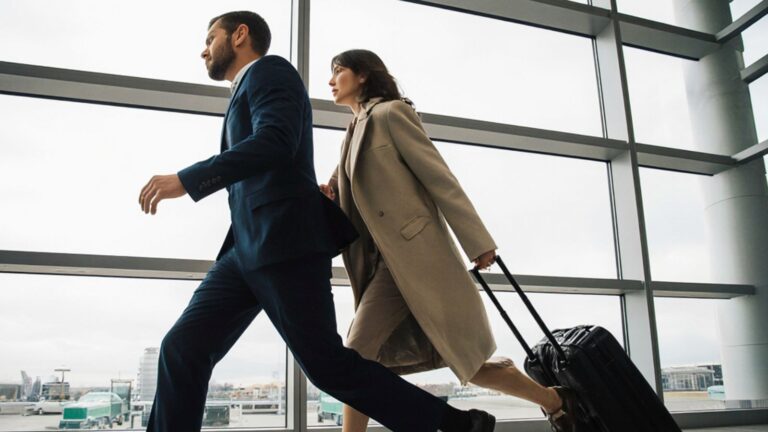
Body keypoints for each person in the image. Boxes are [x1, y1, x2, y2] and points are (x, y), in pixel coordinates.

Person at [137, 11, 496, 432]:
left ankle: (454, 425)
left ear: (239, 35)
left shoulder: (270, 72)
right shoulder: (244, 90)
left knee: (327, 366)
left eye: (210, 37)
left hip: (284, 245)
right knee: (182, 347)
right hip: (243, 251)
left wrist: (188, 179)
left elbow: (276, 141)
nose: (204, 48)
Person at [319, 49, 578, 432]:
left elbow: (439, 178)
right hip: (382, 265)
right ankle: (555, 400)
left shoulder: (392, 114)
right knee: (461, 363)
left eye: (337, 71)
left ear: (361, 75)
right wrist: (331, 193)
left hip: (414, 260)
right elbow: (348, 189)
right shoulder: (353, 130)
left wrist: (477, 241)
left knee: (361, 357)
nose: (330, 81)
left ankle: (555, 400)